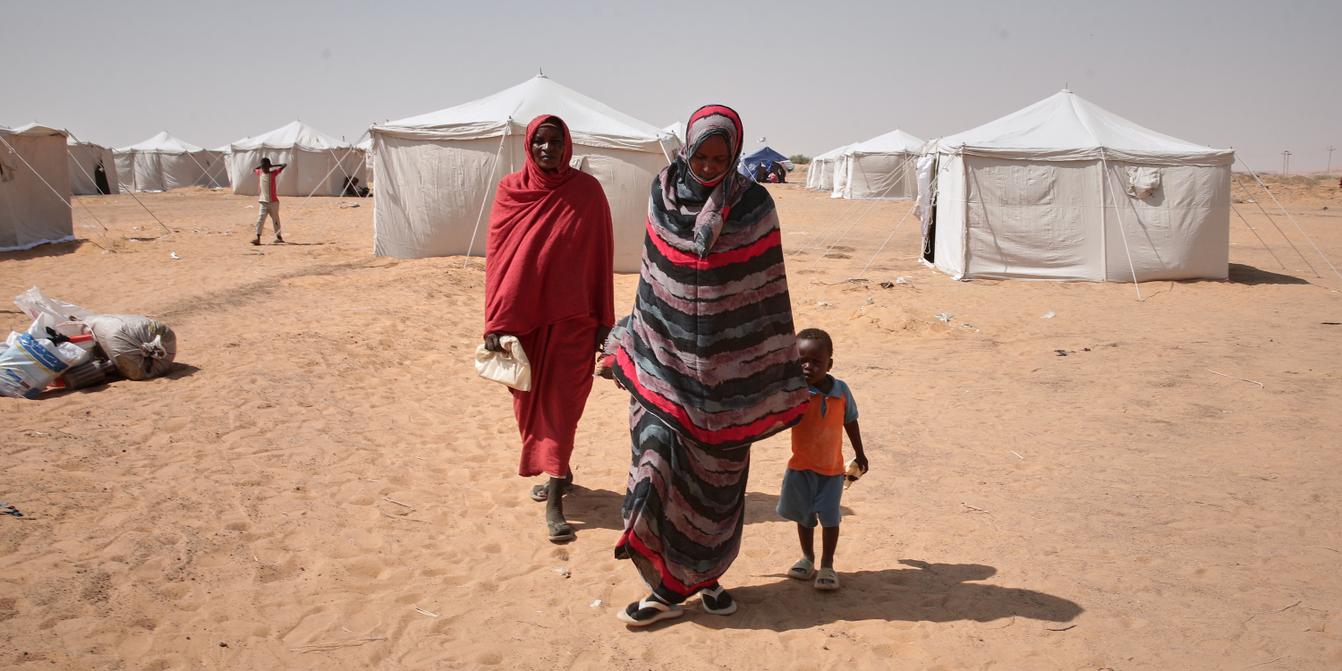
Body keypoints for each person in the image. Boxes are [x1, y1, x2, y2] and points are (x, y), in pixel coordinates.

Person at [608, 104, 809, 627]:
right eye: (702, 156)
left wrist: (765, 369)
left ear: (735, 154)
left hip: (728, 383)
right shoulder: (662, 193)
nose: (710, 167)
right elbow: (654, 279)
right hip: (663, 366)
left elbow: (766, 293)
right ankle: (665, 589)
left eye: (721, 159)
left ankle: (708, 577)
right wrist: (635, 342)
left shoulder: (755, 206)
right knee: (656, 466)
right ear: (687, 150)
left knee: (715, 492)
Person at [483, 115, 614, 544]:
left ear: (567, 145)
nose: (547, 149)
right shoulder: (510, 191)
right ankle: (562, 469)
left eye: (555, 141)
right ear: (528, 144)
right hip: (524, 321)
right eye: (539, 141)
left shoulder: (587, 192)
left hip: (575, 321)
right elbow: (499, 261)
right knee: (528, 406)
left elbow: (601, 258)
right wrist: (495, 321)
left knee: (562, 408)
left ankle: (556, 499)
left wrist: (604, 322)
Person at [777, 327, 868, 592]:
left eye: (816, 362)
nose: (808, 367)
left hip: (831, 471)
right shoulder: (796, 392)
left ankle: (827, 565)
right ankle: (807, 559)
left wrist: (860, 453)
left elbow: (850, 421)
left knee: (830, 519)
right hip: (800, 468)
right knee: (804, 517)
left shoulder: (841, 391)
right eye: (801, 361)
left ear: (829, 364)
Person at [253, 158, 287, 245]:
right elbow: (254, 169)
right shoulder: (260, 172)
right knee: (260, 219)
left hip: (273, 202)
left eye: (266, 167)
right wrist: (264, 166)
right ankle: (258, 238)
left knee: (275, 220)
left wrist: (274, 166)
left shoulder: (273, 173)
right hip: (263, 202)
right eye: (263, 167)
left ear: (269, 167)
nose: (264, 169)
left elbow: (284, 165)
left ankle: (279, 237)